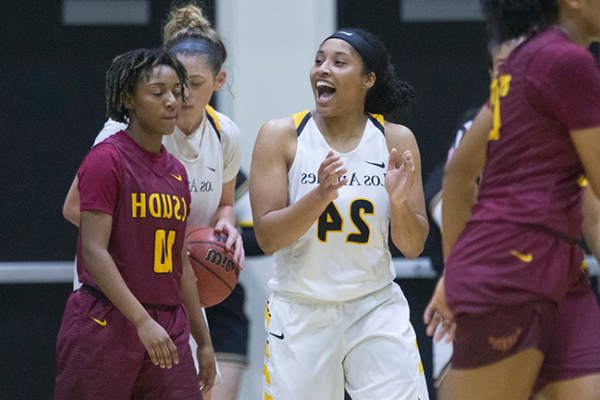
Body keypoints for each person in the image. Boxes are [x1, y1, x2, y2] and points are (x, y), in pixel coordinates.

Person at [62, 4, 248, 400]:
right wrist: (148, 246)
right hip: (112, 300)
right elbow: (75, 211)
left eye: (191, 85)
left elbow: (216, 212)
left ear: (218, 81)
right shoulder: (119, 140)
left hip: (177, 298)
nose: (179, 97)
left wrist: (225, 226)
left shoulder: (217, 140)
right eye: (167, 87)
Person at [424, 1, 600, 399]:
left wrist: (455, 270)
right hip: (512, 265)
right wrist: (459, 273)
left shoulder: (524, 59)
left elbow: (458, 175)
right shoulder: (566, 61)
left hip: (559, 264)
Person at [250, 28, 430, 400]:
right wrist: (319, 196)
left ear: (368, 80)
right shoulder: (281, 135)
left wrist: (398, 204)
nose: (322, 69)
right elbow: (267, 238)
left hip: (374, 306)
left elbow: (412, 247)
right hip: (301, 310)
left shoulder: (395, 140)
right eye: (318, 60)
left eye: (338, 62)